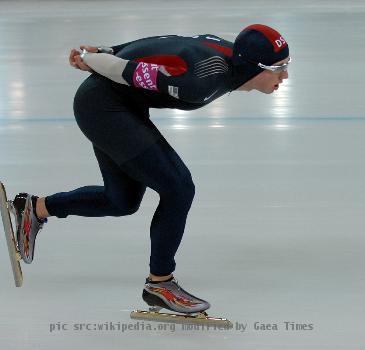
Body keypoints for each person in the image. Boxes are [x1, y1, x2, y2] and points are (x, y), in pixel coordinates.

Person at [11, 24, 290, 314]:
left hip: (119, 104)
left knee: (122, 200)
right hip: (104, 107)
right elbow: (126, 71)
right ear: (253, 66)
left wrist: (109, 49)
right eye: (278, 68)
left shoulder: (229, 54)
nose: (285, 76)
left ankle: (35, 208)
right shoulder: (201, 81)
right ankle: (160, 283)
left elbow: (165, 43)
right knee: (178, 187)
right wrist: (94, 58)